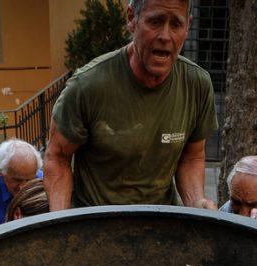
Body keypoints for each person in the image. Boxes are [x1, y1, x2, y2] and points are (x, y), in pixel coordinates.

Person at [44, 0, 217, 211]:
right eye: (155, 21)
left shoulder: (197, 84)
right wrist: (61, 224)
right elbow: (57, 156)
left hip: (161, 225)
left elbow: (192, 157)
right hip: (94, 228)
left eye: (176, 24)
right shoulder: (88, 86)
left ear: (187, 27)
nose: (165, 36)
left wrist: (197, 202)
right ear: (131, 19)